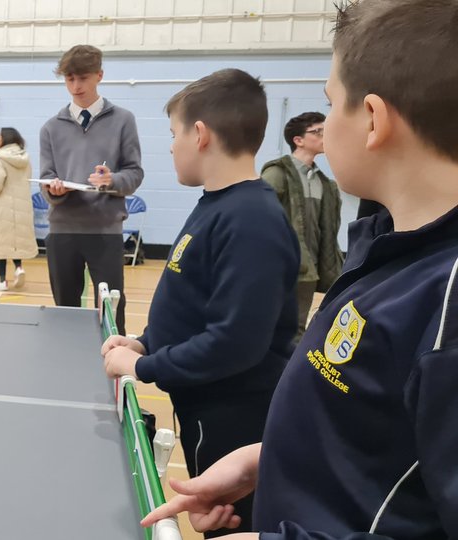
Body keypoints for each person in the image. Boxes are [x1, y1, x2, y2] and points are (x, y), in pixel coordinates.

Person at [141, 1, 458, 538]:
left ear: (374, 121)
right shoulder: (386, 249)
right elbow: (379, 438)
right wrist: (268, 458)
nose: (324, 126)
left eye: (331, 104)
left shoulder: (447, 297)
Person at [101, 69, 299, 536]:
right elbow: (195, 300)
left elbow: (236, 342)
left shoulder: (252, 219)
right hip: (203, 407)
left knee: (233, 527)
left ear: (200, 134)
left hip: (235, 419)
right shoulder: (216, 203)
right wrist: (146, 343)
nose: (171, 146)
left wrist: (141, 369)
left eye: (173, 134)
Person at [39, 44, 143, 333]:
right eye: (69, 79)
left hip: (104, 232)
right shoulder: (50, 128)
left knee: (111, 312)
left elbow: (135, 173)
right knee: (65, 312)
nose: (75, 86)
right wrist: (54, 192)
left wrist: (112, 180)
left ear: (99, 75)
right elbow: (47, 177)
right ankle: (67, 369)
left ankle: (113, 371)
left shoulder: (123, 120)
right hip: (62, 232)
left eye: (82, 78)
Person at [261, 112, 344, 338]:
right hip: (281, 265)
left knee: (296, 327)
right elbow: (262, 219)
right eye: (318, 132)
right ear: (298, 140)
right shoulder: (277, 173)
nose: (324, 137)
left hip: (309, 268)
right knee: (270, 324)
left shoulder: (324, 183)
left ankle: (286, 371)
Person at [0, 127, 38, 291]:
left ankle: (2, 281)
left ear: (5, 138)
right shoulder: (25, 159)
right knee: (16, 241)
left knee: (0, 243)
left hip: (1, 207)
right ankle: (19, 268)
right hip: (22, 206)